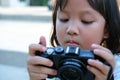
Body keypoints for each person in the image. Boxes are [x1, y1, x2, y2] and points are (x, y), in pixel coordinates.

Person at [27, 0, 120, 80]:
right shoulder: (49, 64)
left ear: (106, 29)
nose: (71, 29)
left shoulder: (115, 69)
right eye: (64, 19)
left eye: (86, 21)